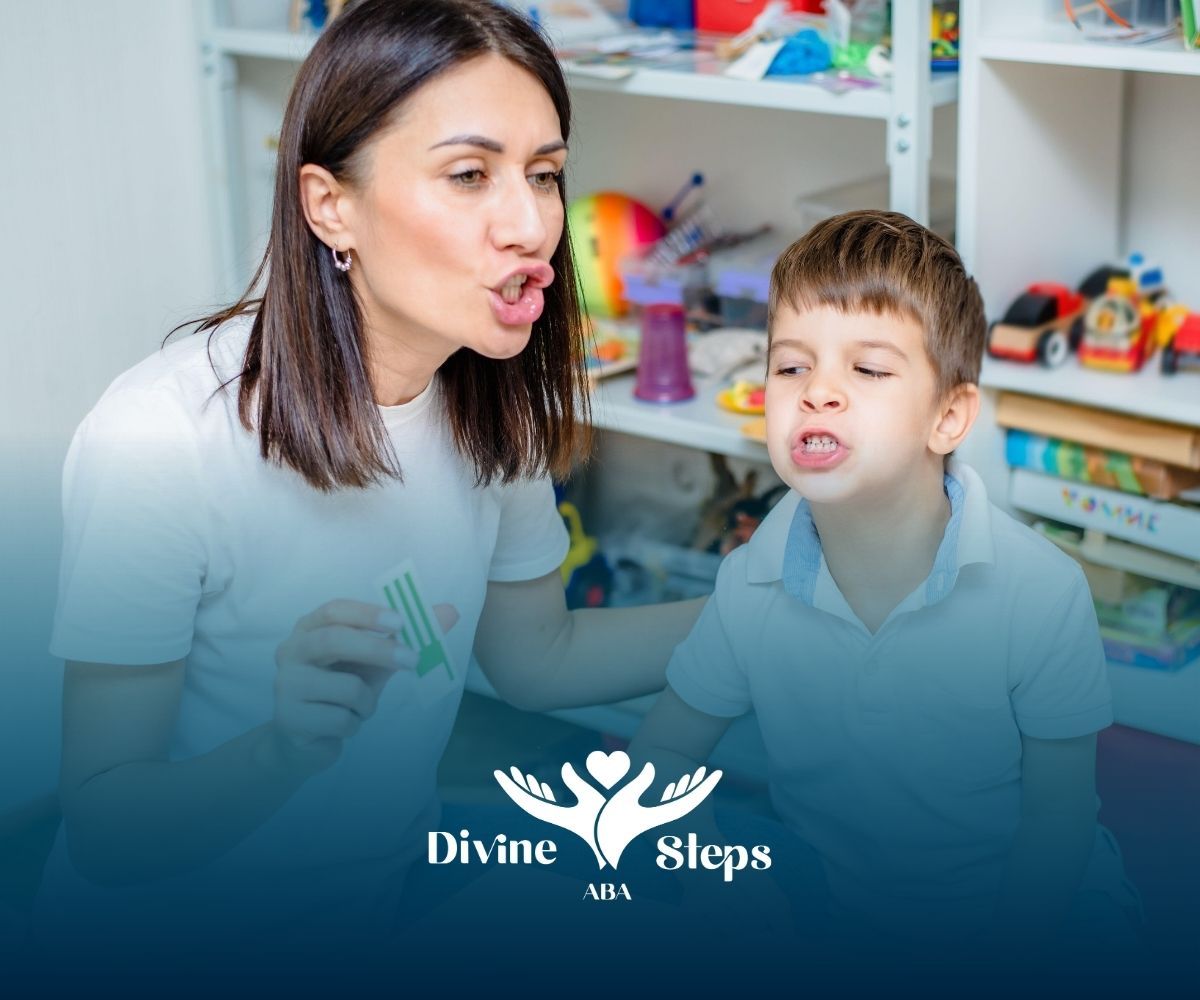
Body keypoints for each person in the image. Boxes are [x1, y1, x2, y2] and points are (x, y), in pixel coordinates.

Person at [39, 0, 702, 971]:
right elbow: (106, 827)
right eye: (469, 174)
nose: (531, 225)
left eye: (544, 174)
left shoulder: (494, 405)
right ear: (329, 206)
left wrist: (774, 609)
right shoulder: (159, 439)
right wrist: (280, 748)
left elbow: (538, 659)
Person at [629, 210, 1144, 972]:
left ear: (949, 417)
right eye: (790, 367)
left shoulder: (1041, 592)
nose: (818, 393)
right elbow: (662, 755)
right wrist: (699, 873)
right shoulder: (749, 583)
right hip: (843, 925)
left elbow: (1058, 827)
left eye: (867, 370)